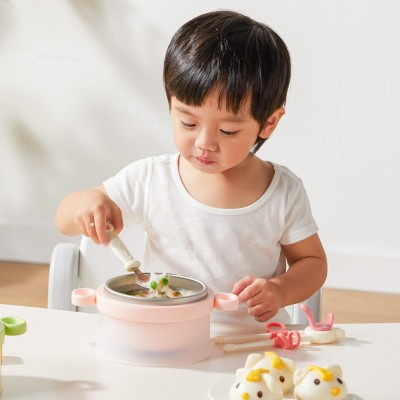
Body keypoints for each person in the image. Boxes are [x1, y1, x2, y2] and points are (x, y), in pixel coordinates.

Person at [55, 10, 327, 324]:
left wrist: (279, 290)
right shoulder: (151, 179)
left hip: (251, 343)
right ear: (171, 105)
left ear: (269, 123)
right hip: (165, 335)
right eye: (188, 122)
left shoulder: (282, 192)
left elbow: (312, 262)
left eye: (227, 131)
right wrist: (88, 203)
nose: (204, 143)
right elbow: (64, 220)